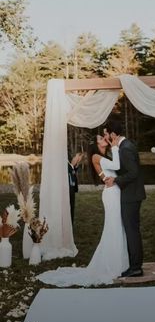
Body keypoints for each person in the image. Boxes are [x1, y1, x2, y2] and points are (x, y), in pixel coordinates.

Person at [36, 134, 129, 287]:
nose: (104, 139)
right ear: (96, 144)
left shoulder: (104, 156)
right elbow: (117, 166)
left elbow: (114, 170)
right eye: (100, 138)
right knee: (113, 227)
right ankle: (111, 263)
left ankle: (119, 261)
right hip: (111, 194)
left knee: (117, 226)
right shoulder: (96, 157)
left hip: (115, 192)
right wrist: (114, 146)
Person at [104, 120, 146, 277]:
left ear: (113, 135)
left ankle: (136, 267)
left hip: (131, 196)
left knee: (132, 231)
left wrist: (115, 180)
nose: (105, 137)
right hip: (131, 194)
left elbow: (133, 173)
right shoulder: (124, 146)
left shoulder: (125, 149)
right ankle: (134, 263)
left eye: (106, 134)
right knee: (131, 230)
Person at [68, 153, 83, 224]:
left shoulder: (71, 166)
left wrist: (77, 164)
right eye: (76, 157)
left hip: (72, 191)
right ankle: (69, 223)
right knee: (69, 208)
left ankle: (70, 223)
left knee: (72, 208)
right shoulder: (67, 166)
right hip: (68, 192)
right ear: (73, 158)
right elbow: (71, 172)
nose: (78, 159)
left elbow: (73, 171)